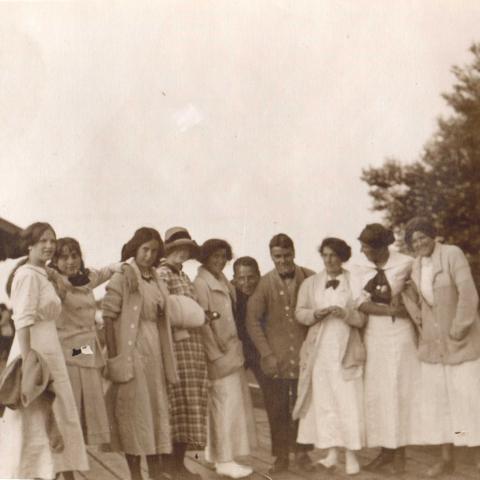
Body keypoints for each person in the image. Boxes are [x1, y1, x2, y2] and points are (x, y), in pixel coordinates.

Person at [0, 222, 88, 480]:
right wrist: (29, 364)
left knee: (55, 412)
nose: (49, 246)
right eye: (43, 241)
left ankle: (53, 471)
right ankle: (32, 473)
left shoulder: (43, 274)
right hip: (34, 350)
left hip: (50, 348)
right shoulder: (27, 275)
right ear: (30, 245)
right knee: (36, 416)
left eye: (52, 240)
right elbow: (23, 320)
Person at [403, 217, 480, 477]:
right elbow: (420, 304)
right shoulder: (415, 267)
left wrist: (458, 329)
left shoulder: (452, 254)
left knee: (469, 401)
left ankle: (478, 459)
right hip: (433, 348)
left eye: (423, 236)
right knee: (439, 404)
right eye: (413, 240)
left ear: (433, 235)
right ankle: (446, 459)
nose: (419, 242)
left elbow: (468, 295)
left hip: (460, 343)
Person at [102, 227, 177, 480]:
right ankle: (135, 475)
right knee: (133, 414)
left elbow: (162, 316)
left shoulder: (156, 278)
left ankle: (156, 474)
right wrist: (115, 358)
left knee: (155, 412)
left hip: (154, 351)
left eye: (154, 251)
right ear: (135, 248)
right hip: (131, 351)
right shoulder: (124, 276)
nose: (149, 255)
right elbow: (109, 318)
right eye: (145, 249)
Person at [50, 237, 135, 447]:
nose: (70, 261)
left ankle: (76, 456)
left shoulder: (85, 279)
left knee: (88, 401)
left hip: (85, 349)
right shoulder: (53, 283)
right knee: (70, 405)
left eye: (74, 255)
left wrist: (125, 266)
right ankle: (64, 463)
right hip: (67, 350)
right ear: (55, 260)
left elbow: (107, 271)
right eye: (63, 257)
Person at [293, 237, 366, 475]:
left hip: (345, 349)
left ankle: (352, 455)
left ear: (342, 257)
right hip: (320, 351)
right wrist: (317, 313)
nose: (328, 260)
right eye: (324, 255)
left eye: (333, 255)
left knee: (348, 401)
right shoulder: (312, 283)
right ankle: (332, 453)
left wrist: (345, 313)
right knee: (325, 402)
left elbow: (362, 318)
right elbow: (300, 313)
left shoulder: (353, 281)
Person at [355, 223, 421, 474]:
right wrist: (389, 310)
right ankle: (385, 453)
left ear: (381, 247)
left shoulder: (406, 263)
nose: (362, 251)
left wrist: (406, 300)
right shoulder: (359, 268)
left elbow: (418, 294)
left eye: (366, 247)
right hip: (375, 335)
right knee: (379, 393)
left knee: (400, 390)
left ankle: (400, 455)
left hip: (401, 334)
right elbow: (359, 302)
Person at [246, 233, 314, 474]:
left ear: (293, 253)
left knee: (304, 405)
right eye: (277, 257)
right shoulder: (264, 284)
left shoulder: (310, 277)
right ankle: (281, 456)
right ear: (271, 257)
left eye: (286, 255)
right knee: (277, 408)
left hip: (306, 357)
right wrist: (267, 354)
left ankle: (304, 454)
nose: (283, 260)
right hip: (277, 359)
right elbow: (252, 321)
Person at [194, 239, 256, 479]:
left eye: (223, 256)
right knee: (225, 406)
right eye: (214, 256)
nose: (219, 261)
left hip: (231, 350)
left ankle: (217, 455)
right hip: (219, 353)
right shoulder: (201, 284)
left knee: (226, 405)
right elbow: (203, 322)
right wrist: (214, 353)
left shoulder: (221, 281)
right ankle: (225, 459)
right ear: (205, 258)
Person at [157, 226, 208, 480]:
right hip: (177, 347)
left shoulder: (184, 276)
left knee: (190, 404)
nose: (182, 252)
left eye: (186, 248)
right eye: (177, 248)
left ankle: (179, 462)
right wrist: (191, 316)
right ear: (168, 251)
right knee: (177, 404)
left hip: (192, 349)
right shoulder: (164, 273)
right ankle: (170, 465)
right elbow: (164, 308)